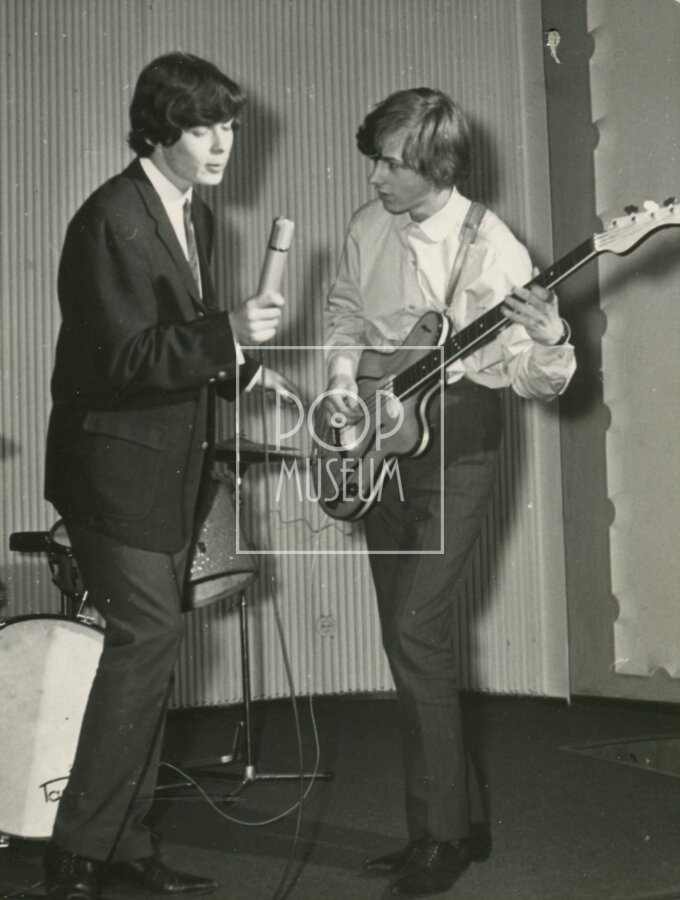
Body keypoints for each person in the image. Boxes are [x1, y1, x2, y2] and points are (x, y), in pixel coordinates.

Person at [43, 52, 294, 900]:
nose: (221, 145)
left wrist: (249, 368)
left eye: (229, 127)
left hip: (164, 472)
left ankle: (123, 844)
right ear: (158, 131)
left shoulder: (193, 214)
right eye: (201, 128)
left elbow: (184, 344)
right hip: (113, 472)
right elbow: (121, 359)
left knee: (150, 653)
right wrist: (227, 333)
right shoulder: (112, 219)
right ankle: (77, 854)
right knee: (147, 641)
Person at [323, 88, 576, 897]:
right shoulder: (369, 228)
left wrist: (551, 339)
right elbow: (345, 312)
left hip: (460, 441)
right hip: (382, 433)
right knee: (406, 640)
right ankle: (457, 820)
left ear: (436, 166)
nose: (374, 178)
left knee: (417, 629)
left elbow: (533, 379)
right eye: (374, 160)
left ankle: (443, 839)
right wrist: (345, 383)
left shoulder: (494, 249)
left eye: (390, 164)